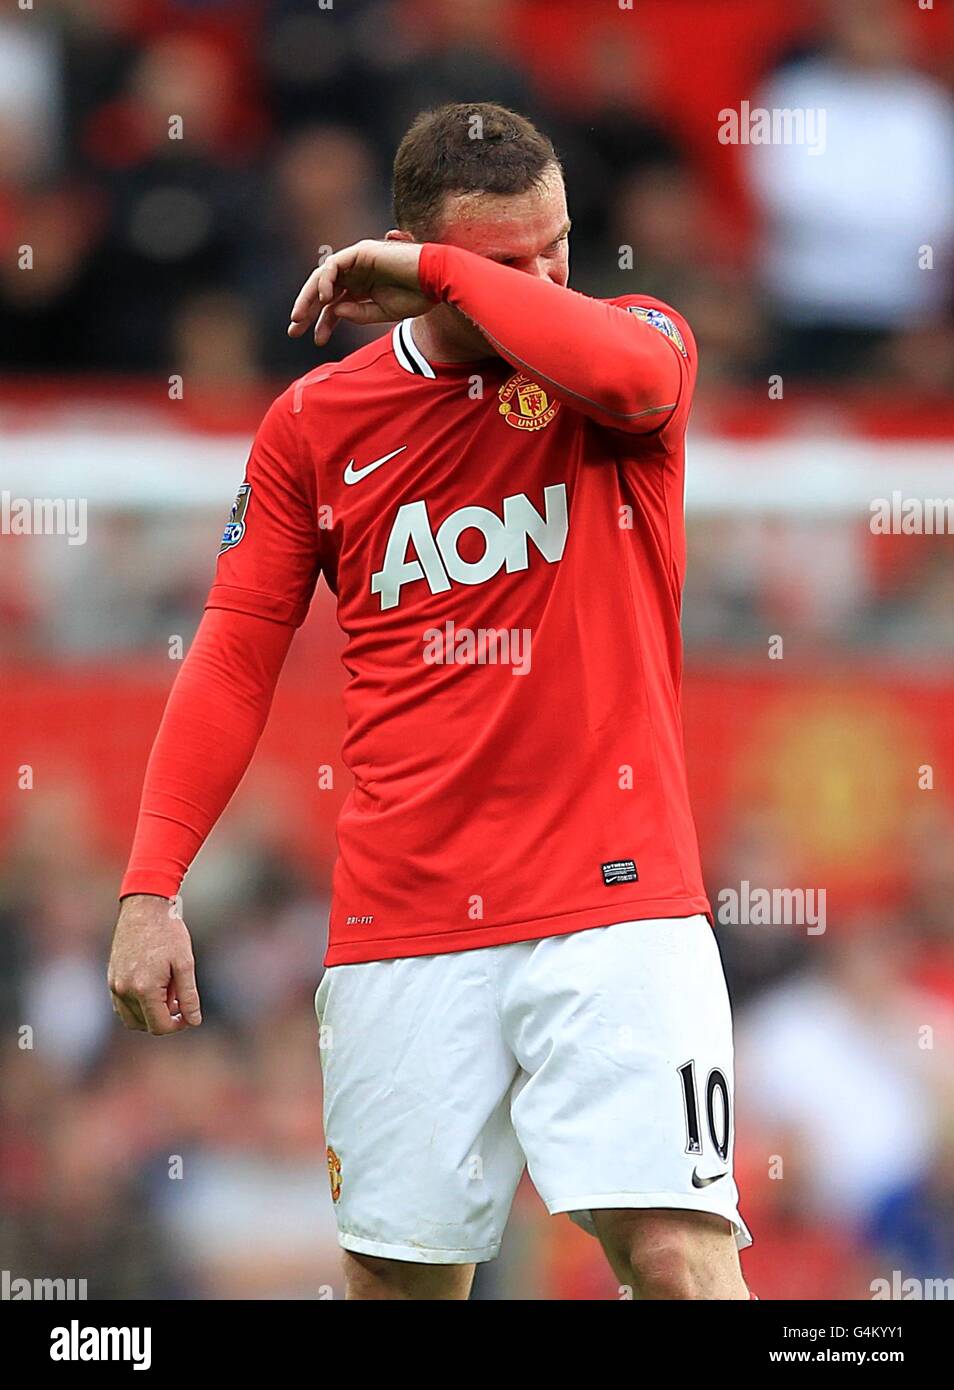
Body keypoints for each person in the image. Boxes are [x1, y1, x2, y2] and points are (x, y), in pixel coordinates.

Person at [109, 102, 752, 1300]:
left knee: (675, 1255)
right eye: (509, 262)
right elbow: (236, 652)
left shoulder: (630, 345)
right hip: (406, 924)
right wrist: (152, 884)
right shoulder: (314, 423)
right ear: (415, 253)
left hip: (616, 907)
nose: (549, 277)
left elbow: (629, 372)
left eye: (557, 244)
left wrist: (452, 274)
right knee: (400, 1287)